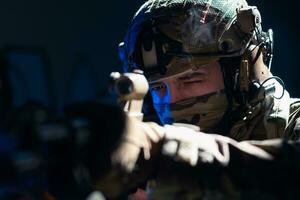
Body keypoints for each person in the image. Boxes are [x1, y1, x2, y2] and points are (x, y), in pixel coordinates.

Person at [96, 0, 300, 199]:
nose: (172, 99)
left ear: (242, 74)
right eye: (157, 87)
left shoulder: (292, 127)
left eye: (191, 80)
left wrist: (166, 154)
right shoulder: (146, 174)